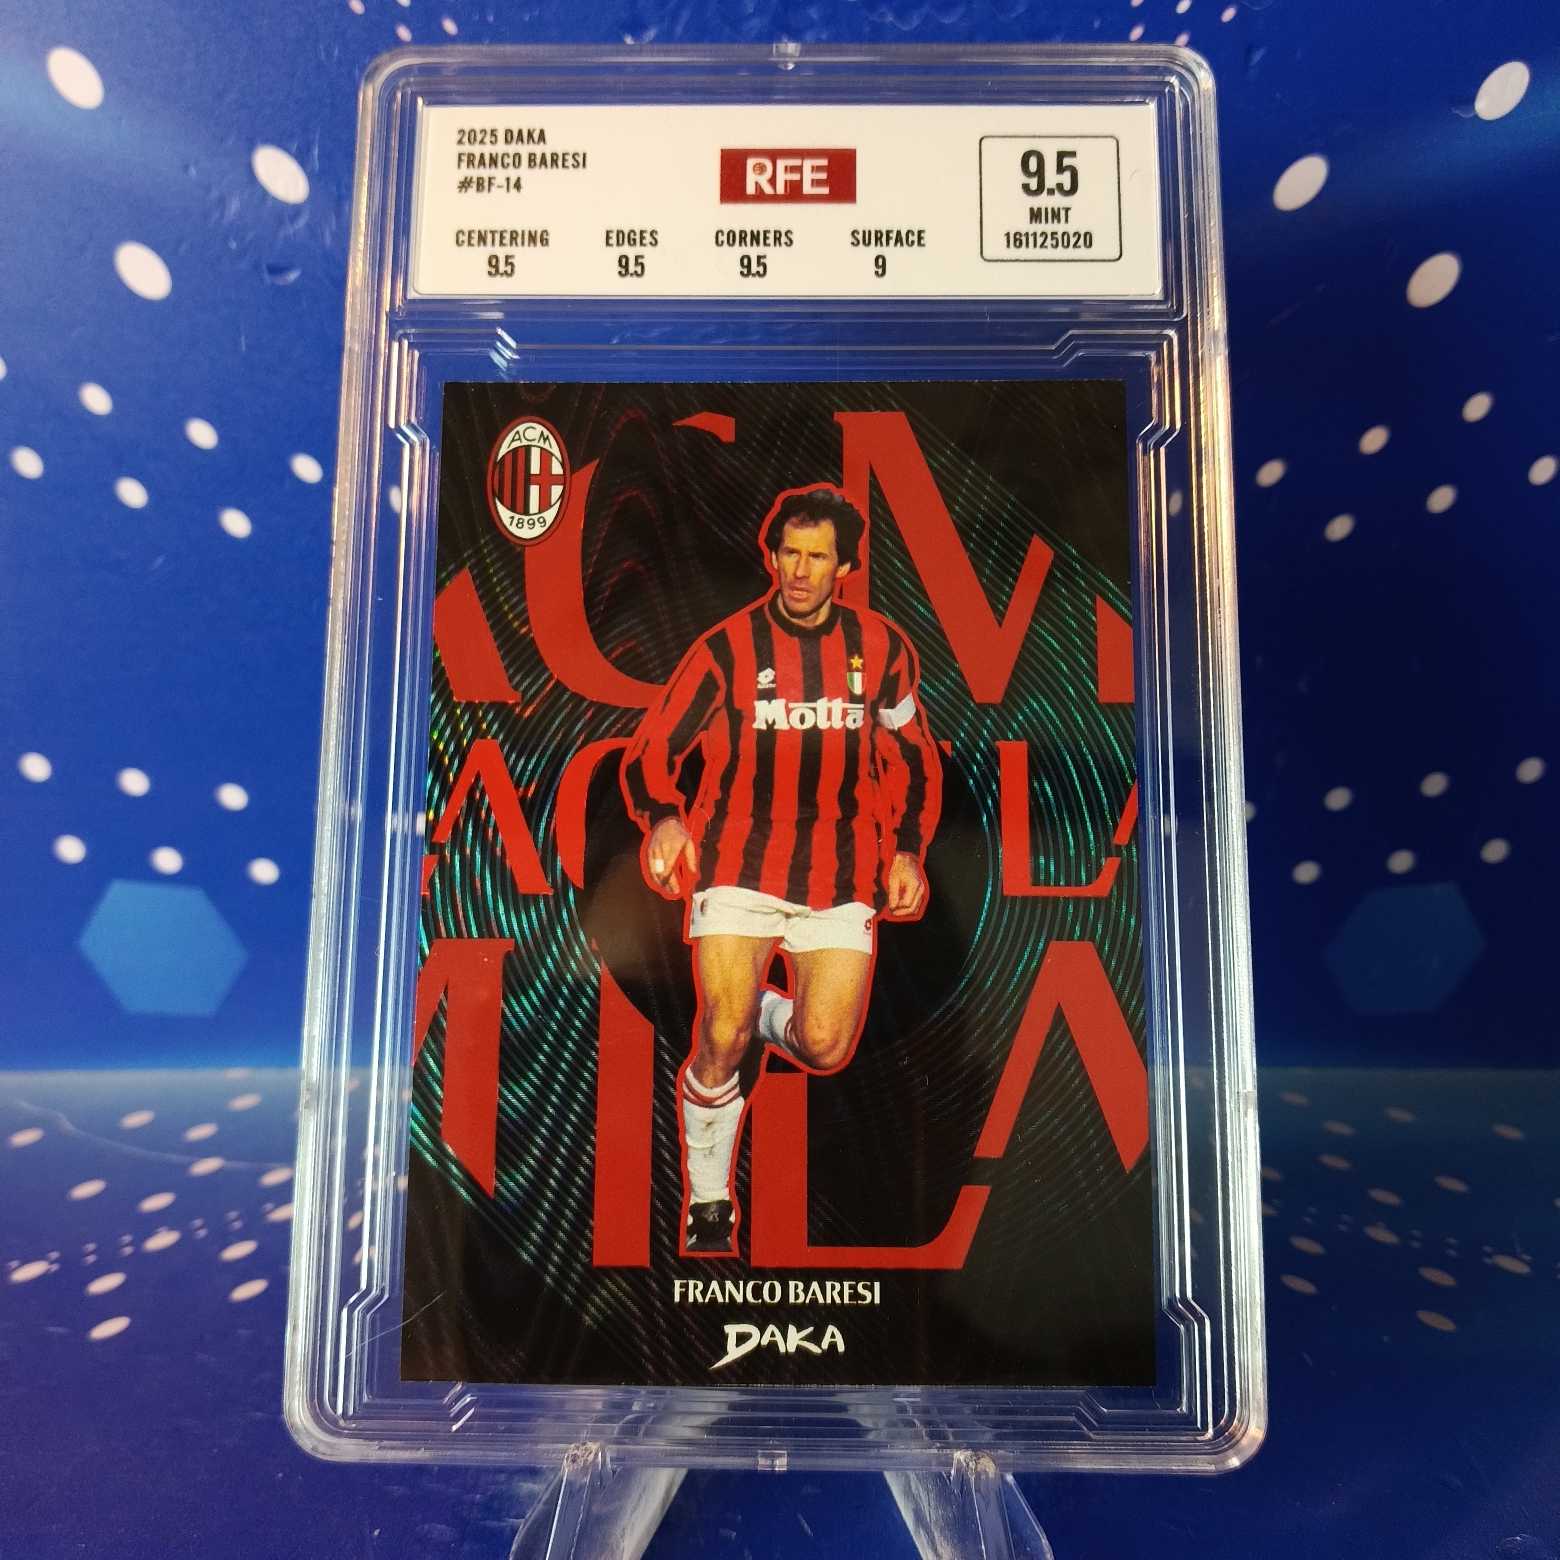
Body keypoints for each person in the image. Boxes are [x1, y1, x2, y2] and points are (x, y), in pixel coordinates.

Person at [621, 484, 942, 1254]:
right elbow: (652, 750)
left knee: (826, 1046)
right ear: (772, 557)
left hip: (841, 876)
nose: (800, 570)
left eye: (817, 557)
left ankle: (761, 1014)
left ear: (844, 567)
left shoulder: (882, 649)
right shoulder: (726, 650)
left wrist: (907, 848)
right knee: (720, 1033)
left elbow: (914, 755)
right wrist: (665, 817)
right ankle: (709, 1200)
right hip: (737, 867)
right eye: (789, 554)